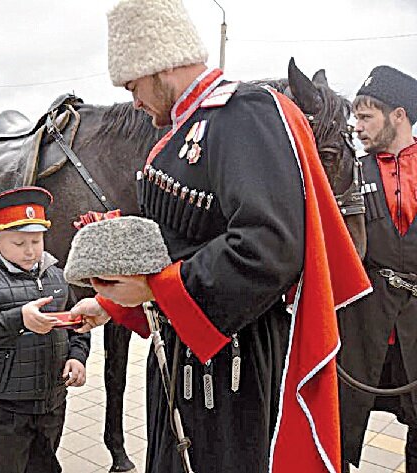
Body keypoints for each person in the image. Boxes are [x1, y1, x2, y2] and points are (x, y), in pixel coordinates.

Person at [70, 0, 370, 472]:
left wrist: (155, 288)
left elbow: (268, 248)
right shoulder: (189, 125)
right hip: (189, 361)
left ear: (159, 64)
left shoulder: (245, 113)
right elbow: (183, 241)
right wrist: (111, 305)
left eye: (133, 85)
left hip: (235, 370)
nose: (134, 102)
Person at [0, 186, 91, 473]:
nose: (30, 251)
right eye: (19, 243)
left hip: (52, 401)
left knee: (45, 464)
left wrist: (77, 357)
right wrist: (19, 319)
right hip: (6, 407)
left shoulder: (58, 276)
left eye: (36, 240)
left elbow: (77, 325)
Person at [339, 66, 417, 473]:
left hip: (415, 327)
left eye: (366, 117)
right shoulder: (349, 172)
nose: (357, 126)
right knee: (341, 426)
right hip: (362, 324)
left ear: (399, 116)